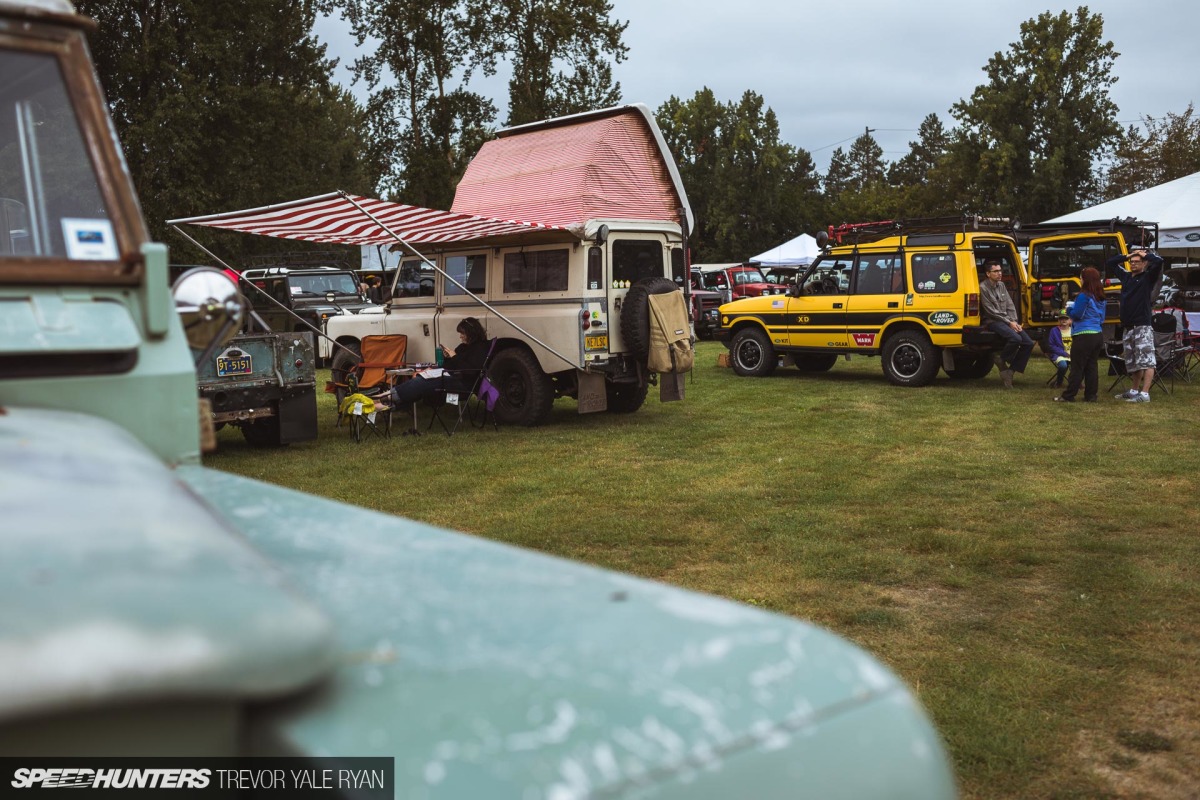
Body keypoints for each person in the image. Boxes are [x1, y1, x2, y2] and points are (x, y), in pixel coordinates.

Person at [1107, 247, 1164, 402]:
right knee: (1133, 362)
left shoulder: (1148, 277)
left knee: (1147, 360)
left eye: (1137, 262)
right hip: (1128, 327)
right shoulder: (1126, 277)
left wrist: (1145, 254)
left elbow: (1159, 261)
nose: (1133, 264)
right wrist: (1129, 255)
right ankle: (1134, 390)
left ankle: (1145, 394)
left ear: (1144, 264)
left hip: (1142, 326)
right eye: (1132, 262)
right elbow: (1111, 262)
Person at [389, 317, 488, 407]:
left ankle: (388, 397)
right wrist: (448, 358)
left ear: (471, 333)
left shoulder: (480, 348)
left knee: (423, 383)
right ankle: (390, 402)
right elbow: (449, 366)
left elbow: (471, 371)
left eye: (463, 333)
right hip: (452, 378)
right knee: (421, 382)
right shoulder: (463, 347)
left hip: (464, 385)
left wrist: (454, 357)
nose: (460, 337)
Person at [1053, 267, 1107, 402]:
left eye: (1081, 277)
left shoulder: (1084, 296)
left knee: (1077, 367)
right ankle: (1091, 396)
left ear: (1085, 280)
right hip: (1097, 334)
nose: (1080, 280)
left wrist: (1069, 310)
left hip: (1083, 335)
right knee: (1092, 366)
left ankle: (1069, 395)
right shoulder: (1101, 297)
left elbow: (1077, 315)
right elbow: (1102, 318)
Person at [979, 259, 1034, 387]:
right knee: (1015, 338)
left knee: (1028, 343)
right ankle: (1002, 358)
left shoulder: (1002, 285)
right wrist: (1009, 322)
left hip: (1007, 320)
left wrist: (1014, 321)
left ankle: (1010, 370)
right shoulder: (983, 288)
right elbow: (991, 311)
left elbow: (1009, 305)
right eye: (995, 271)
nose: (999, 273)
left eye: (1000, 270)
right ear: (988, 274)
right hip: (993, 321)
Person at [1044, 312, 1073, 388]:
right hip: (1059, 354)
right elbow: (1051, 346)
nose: (1064, 320)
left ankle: (1075, 382)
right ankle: (1059, 382)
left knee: (1080, 365)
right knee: (1063, 365)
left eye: (1066, 318)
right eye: (1061, 318)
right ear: (1059, 320)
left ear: (1070, 320)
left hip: (1073, 354)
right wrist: (1064, 354)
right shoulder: (1054, 330)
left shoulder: (1074, 330)